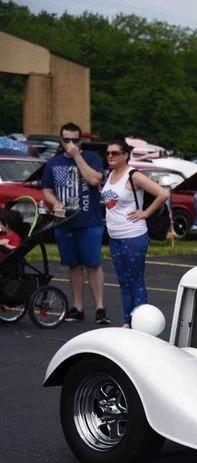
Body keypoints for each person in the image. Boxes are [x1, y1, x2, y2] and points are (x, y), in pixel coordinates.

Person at [40, 122, 109, 324]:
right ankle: (77, 307)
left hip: (89, 220)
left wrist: (77, 156)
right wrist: (55, 203)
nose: (71, 143)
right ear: (61, 141)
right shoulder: (53, 163)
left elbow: (95, 179)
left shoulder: (92, 158)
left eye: (75, 140)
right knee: (74, 265)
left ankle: (100, 308)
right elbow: (47, 189)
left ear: (81, 141)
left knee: (93, 264)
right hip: (66, 223)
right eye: (66, 140)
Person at [100, 141, 169, 328]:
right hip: (115, 236)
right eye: (108, 153)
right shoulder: (109, 174)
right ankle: (127, 321)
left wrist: (145, 213)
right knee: (123, 281)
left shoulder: (134, 175)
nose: (110, 156)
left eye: (115, 153)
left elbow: (162, 194)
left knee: (135, 280)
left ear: (125, 155)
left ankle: (140, 323)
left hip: (133, 235)